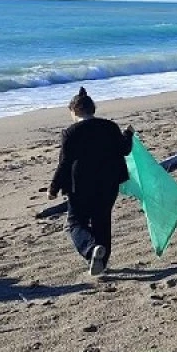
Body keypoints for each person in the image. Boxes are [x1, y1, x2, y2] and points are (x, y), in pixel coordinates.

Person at [48, 87, 134, 276]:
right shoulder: (110, 126)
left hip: (80, 185)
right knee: (102, 221)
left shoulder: (71, 132)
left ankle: (90, 249)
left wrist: (54, 187)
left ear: (74, 111)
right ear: (92, 109)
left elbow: (65, 162)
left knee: (75, 222)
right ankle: (101, 261)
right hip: (109, 183)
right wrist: (128, 134)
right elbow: (125, 150)